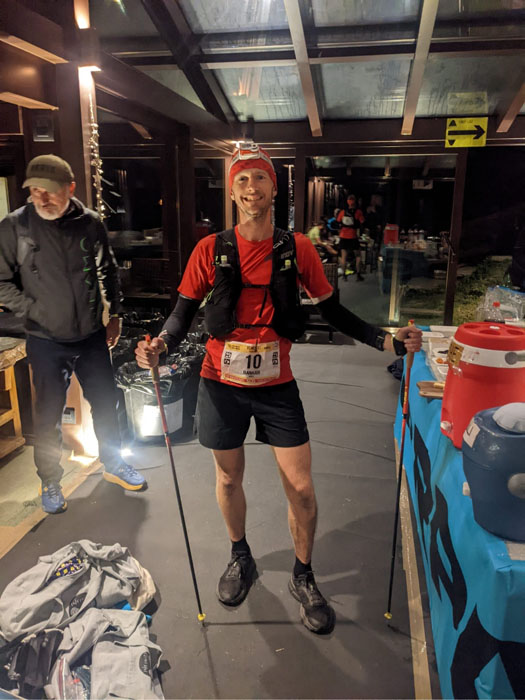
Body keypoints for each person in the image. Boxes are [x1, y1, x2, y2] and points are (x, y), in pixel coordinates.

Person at [135, 144, 422, 635]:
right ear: (232, 192)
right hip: (220, 383)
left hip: (277, 384)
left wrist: (386, 341)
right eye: (242, 180)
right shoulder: (210, 249)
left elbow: (332, 311)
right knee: (228, 480)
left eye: (260, 179)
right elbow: (181, 313)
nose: (252, 188)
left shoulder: (297, 248)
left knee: (302, 489)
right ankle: (240, 556)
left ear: (273, 188)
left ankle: (303, 574)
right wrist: (160, 345)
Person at [0, 155, 147, 514]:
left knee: (106, 403)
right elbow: (1, 282)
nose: (41, 198)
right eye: (35, 190)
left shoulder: (90, 223)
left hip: (91, 335)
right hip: (45, 339)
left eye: (49, 191)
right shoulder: (15, 226)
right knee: (48, 414)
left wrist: (115, 314)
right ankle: (50, 479)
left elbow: (107, 270)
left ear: (70, 188)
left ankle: (113, 463)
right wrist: (35, 310)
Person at [337, 195, 365, 280]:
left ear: (347, 202)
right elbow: (362, 221)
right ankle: (358, 274)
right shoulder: (358, 212)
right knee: (358, 255)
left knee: (343, 256)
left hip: (343, 236)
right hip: (353, 236)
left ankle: (344, 275)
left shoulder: (342, 212)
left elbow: (338, 221)